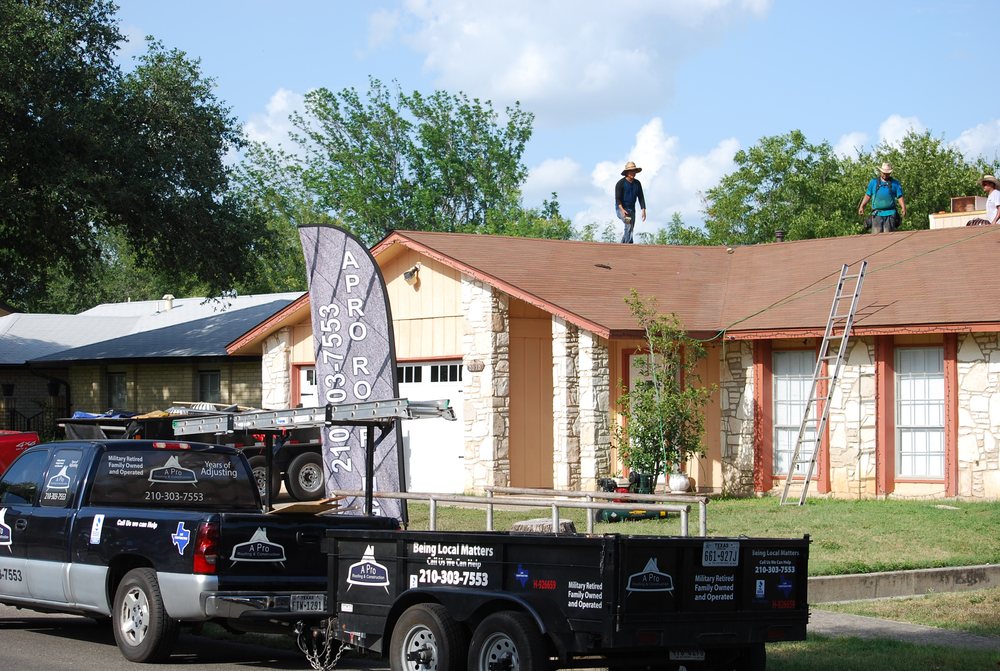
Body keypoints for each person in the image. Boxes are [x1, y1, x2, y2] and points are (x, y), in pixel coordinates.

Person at [857, 161, 906, 232]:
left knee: (888, 236)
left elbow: (899, 196)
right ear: (880, 172)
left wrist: (903, 207)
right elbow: (868, 195)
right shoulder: (873, 182)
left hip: (891, 214)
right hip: (877, 214)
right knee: (876, 237)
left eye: (887, 173)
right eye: (884, 173)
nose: (885, 175)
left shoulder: (895, 183)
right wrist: (862, 206)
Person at [615, 161, 646, 243]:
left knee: (630, 228)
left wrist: (643, 210)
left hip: (631, 209)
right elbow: (617, 199)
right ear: (627, 172)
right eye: (631, 171)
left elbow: (641, 197)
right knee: (628, 224)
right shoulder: (620, 183)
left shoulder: (637, 183)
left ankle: (623, 245)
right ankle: (629, 245)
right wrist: (622, 210)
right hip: (621, 208)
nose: (633, 173)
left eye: (634, 171)